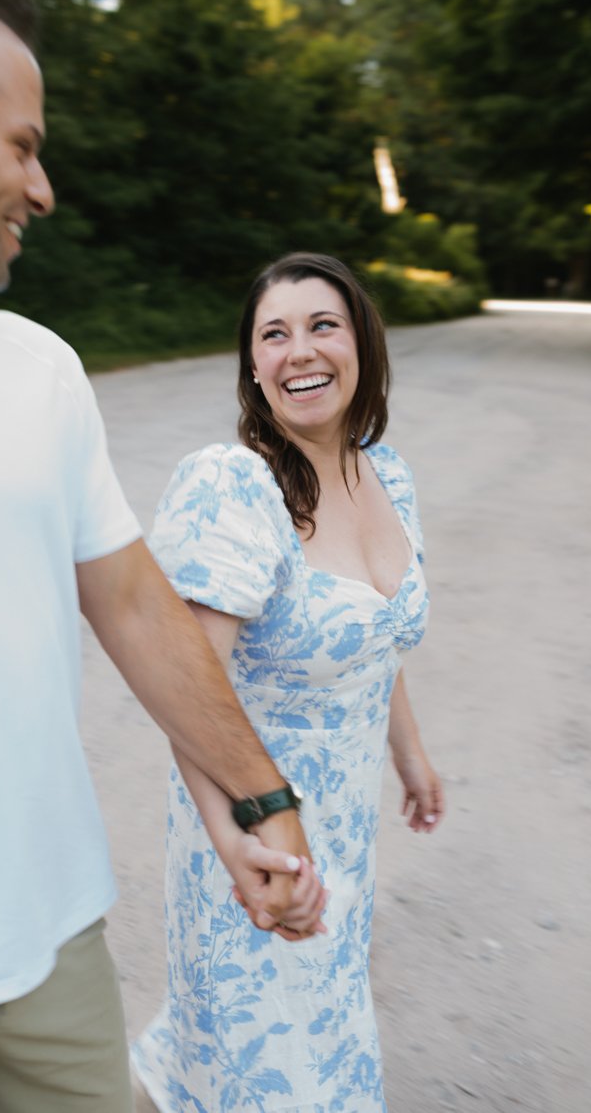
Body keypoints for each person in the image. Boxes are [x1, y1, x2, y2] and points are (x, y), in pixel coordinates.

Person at [0, 0, 327, 1110]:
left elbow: (132, 602)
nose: (44, 187)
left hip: (53, 947)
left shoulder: (40, 369)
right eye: (23, 147)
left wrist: (258, 802)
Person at [131, 252, 444, 1111]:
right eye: (274, 334)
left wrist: (410, 756)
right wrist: (245, 844)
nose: (299, 350)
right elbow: (182, 686)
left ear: (362, 345)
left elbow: (374, 639)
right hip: (257, 834)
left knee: (309, 1043)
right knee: (277, 1074)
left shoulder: (388, 473)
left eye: (322, 326)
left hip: (346, 831)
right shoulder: (236, 487)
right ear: (253, 366)